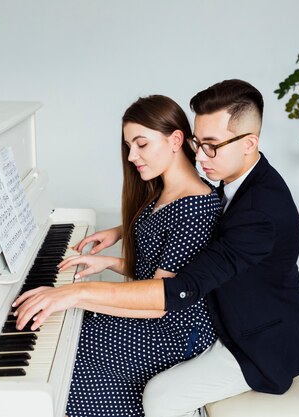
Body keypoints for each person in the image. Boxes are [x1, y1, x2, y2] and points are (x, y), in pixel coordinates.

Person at [13, 80, 299, 417]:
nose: (200, 157)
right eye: (198, 143)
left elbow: (182, 289)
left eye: (211, 146)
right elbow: (193, 227)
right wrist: (121, 235)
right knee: (75, 337)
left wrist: (75, 294)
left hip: (254, 341)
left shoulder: (260, 211)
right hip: (214, 310)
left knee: (155, 394)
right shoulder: (237, 178)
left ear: (250, 143)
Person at [53, 94, 221, 417]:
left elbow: (159, 300)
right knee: (71, 330)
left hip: (173, 332)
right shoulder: (164, 190)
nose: (131, 156)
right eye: (129, 146)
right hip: (155, 314)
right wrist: (109, 260)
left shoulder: (196, 207)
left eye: (141, 144)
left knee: (74, 353)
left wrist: (75, 295)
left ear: (175, 140)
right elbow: (152, 270)